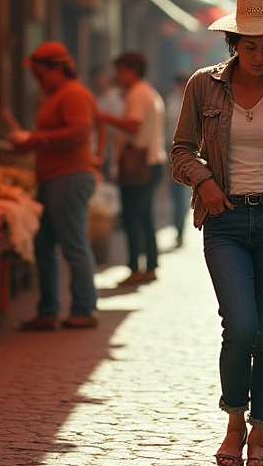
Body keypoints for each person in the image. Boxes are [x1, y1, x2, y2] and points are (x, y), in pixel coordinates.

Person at [172, 0, 263, 466]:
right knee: (241, 329)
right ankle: (233, 421)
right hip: (226, 223)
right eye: (249, 45)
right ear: (233, 42)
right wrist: (206, 182)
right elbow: (180, 152)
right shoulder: (203, 86)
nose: (259, 55)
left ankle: (259, 435)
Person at [11, 41, 99, 330]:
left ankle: (84, 309)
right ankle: (48, 310)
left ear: (56, 68)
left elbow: (79, 132)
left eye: (39, 73)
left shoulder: (73, 93)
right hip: (54, 179)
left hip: (69, 177)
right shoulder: (56, 95)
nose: (37, 79)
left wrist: (35, 139)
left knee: (73, 244)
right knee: (44, 244)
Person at [97, 52, 166, 284]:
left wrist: (103, 117)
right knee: (144, 217)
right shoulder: (147, 91)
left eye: (120, 71)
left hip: (139, 164)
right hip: (151, 162)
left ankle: (136, 268)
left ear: (131, 69)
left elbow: (133, 125)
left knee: (133, 218)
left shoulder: (137, 93)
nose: (117, 76)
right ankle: (150, 266)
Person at [165, 72, 192, 247]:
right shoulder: (171, 100)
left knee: (183, 193)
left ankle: (181, 228)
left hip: (191, 151)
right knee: (174, 191)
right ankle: (177, 227)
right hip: (172, 149)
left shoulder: (194, 100)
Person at [90, 64, 125, 175]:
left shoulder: (115, 96)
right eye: (96, 79)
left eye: (101, 78)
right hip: (100, 144)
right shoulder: (97, 98)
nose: (99, 81)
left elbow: (118, 120)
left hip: (113, 143)